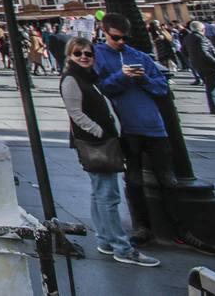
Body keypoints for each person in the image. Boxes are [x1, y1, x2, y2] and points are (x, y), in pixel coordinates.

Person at [95, 14, 215, 255]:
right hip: (126, 129)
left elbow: (162, 87)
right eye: (115, 37)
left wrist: (143, 79)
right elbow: (101, 88)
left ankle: (181, 230)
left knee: (168, 181)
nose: (120, 42)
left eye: (124, 38)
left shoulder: (139, 56)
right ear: (105, 33)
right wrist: (122, 76)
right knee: (133, 180)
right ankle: (143, 228)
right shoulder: (99, 55)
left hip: (154, 127)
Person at [58, 36, 159, 267]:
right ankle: (122, 247)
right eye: (78, 53)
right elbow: (75, 113)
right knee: (108, 196)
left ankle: (105, 240)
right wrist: (99, 132)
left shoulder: (88, 77)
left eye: (88, 53)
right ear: (69, 56)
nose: (84, 57)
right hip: (96, 144)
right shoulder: (72, 79)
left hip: (101, 141)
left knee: (99, 192)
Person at [183, 21, 215, 115]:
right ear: (202, 29)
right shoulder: (200, 38)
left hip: (198, 65)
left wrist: (193, 59)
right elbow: (205, 52)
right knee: (213, 87)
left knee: (214, 86)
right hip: (208, 65)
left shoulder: (188, 37)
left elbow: (183, 50)